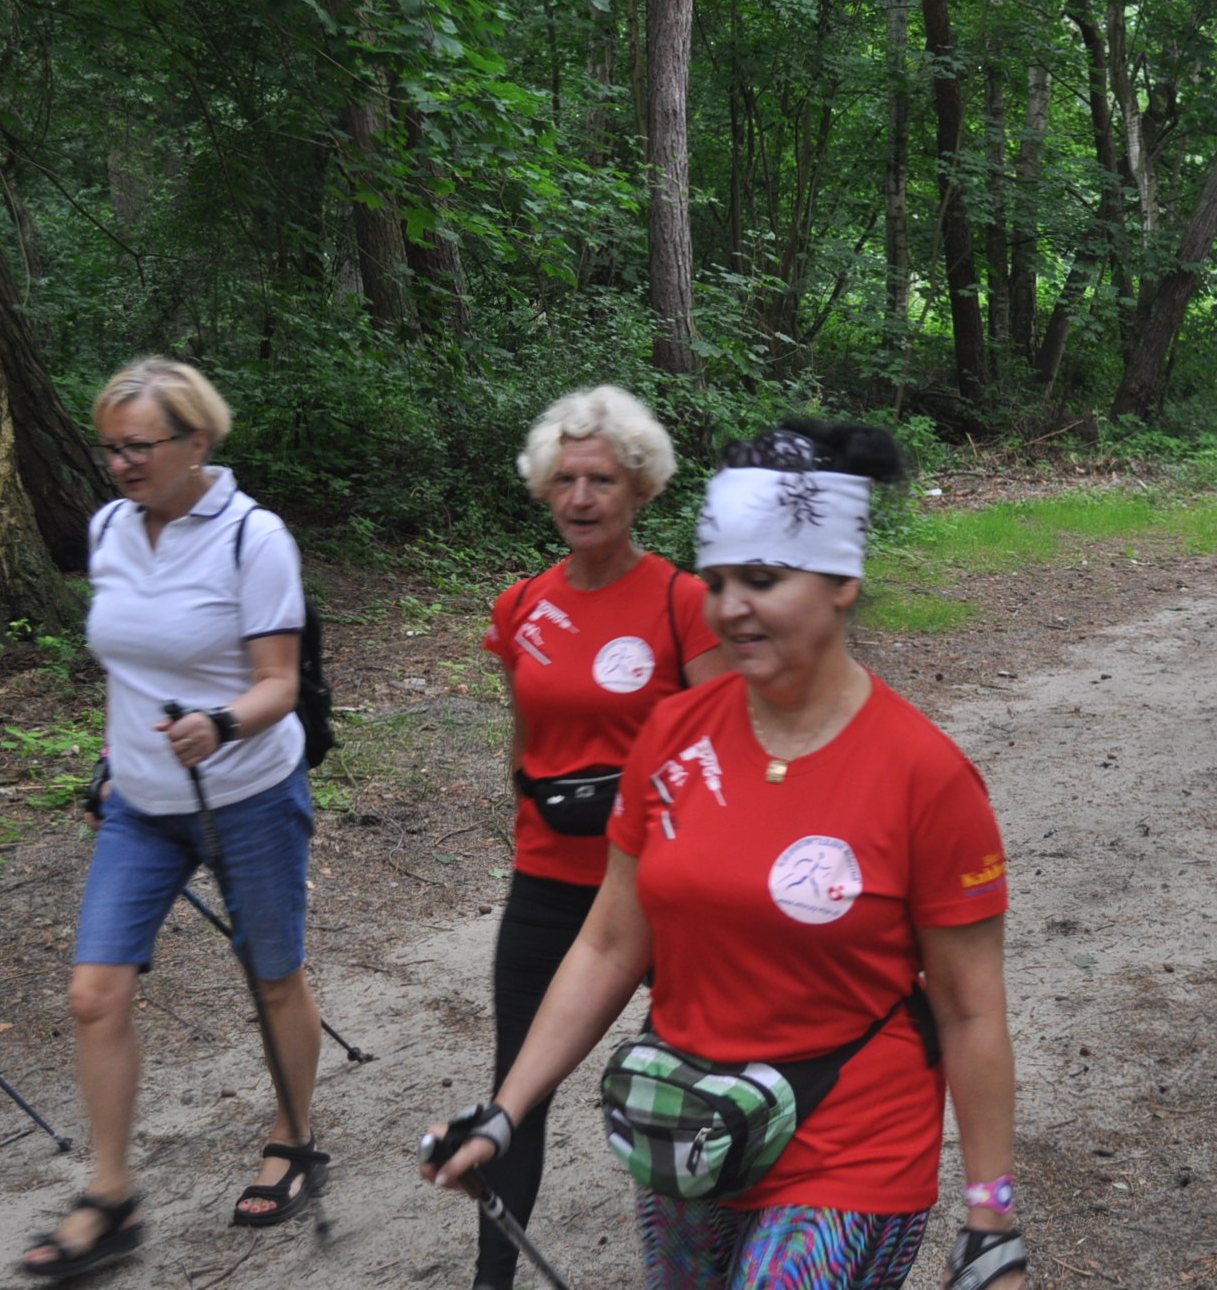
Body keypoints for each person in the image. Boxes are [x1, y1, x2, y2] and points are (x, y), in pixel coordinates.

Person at [423, 420, 1026, 1290]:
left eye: (764, 579)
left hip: (851, 1147)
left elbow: (969, 1012)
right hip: (691, 1134)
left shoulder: (925, 775)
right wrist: (506, 1111)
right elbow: (610, 943)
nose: (732, 606)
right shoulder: (673, 734)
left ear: (843, 582)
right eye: (717, 582)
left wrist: (991, 1216)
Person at [23, 359, 325, 1278]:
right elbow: (129, 664)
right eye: (110, 448)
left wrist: (220, 723)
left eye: (139, 446)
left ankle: (294, 1139)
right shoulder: (109, 528)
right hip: (142, 806)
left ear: (196, 443)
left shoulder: (252, 538)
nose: (120, 463)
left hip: (248, 793)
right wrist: (112, 760)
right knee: (94, 994)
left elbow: (278, 684)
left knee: (273, 979)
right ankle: (110, 1196)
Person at [469, 386, 731, 1290]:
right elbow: (525, 735)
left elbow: (720, 749)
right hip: (548, 878)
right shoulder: (521, 606)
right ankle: (492, 1279)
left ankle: (715, 1257)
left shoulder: (684, 603)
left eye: (603, 481)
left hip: (662, 886)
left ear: (641, 490)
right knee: (516, 1089)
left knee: (689, 1086)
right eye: (566, 479)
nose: (581, 497)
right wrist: (526, 808)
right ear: (546, 487)